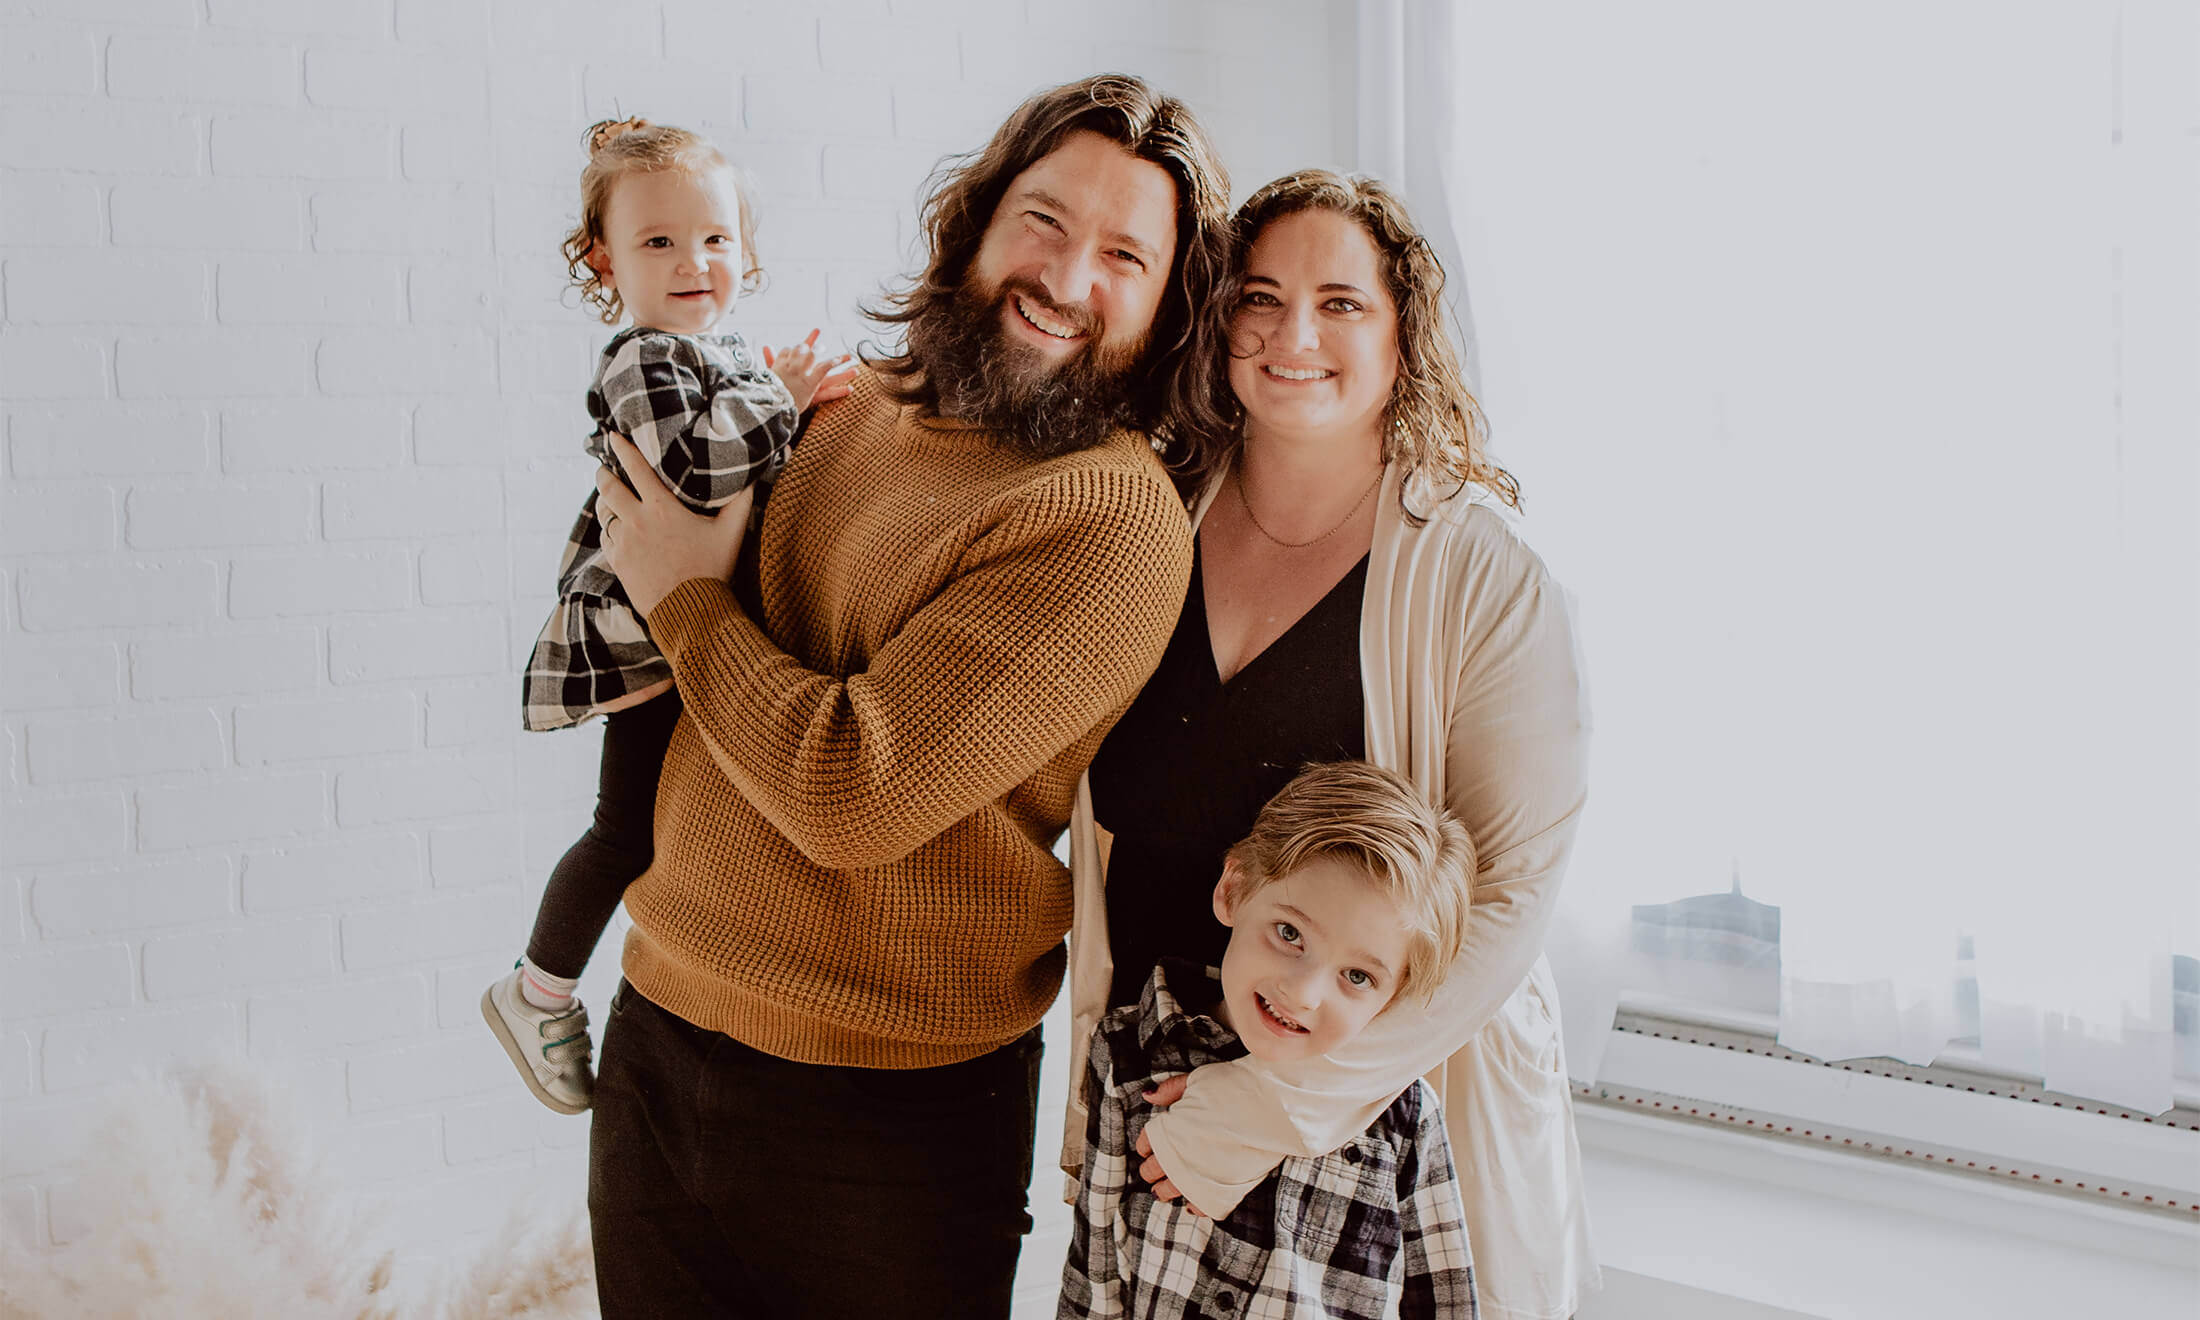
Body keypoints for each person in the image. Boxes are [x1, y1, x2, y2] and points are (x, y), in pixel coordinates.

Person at [582, 75, 1232, 1318]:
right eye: (1043, 221)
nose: (1064, 277)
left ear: (1168, 307)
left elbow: (851, 791)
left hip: (881, 1122)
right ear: (977, 220)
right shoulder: (851, 411)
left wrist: (681, 596)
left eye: (1122, 256)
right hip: (661, 1026)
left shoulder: (1107, 518)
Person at [1067, 171, 1597, 1320]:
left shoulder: (1481, 576)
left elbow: (1505, 904)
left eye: (1340, 303)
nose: (1292, 334)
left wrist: (1270, 1109)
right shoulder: (1148, 519)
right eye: (1259, 296)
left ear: (1403, 337)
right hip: (1155, 1106)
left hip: (1366, 1135)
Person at [482, 117, 852, 1116]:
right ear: (602, 259)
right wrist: (779, 397)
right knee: (625, 833)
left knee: (686, 824)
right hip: (646, 642)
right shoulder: (639, 360)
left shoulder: (720, 353)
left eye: (716, 239)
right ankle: (537, 990)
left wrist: (797, 403)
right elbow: (695, 471)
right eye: (658, 243)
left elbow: (752, 469)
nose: (694, 262)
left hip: (697, 639)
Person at [1062, 760, 1480, 1320]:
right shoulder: (1126, 1053)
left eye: (1357, 977)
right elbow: (1095, 1272)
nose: (1304, 993)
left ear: (1396, 994)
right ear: (1234, 891)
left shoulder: (1402, 1111)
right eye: (1290, 934)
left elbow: (1445, 1300)